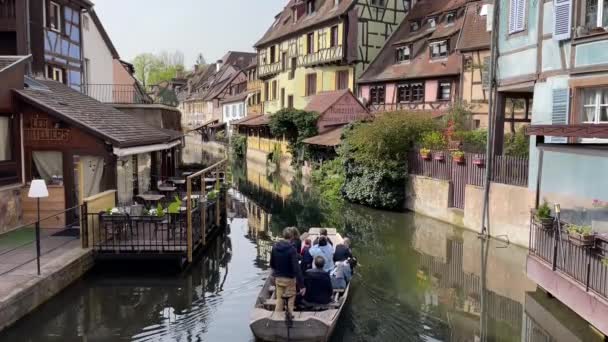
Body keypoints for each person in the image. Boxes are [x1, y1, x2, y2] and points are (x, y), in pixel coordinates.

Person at [270, 228, 305, 314]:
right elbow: (296, 269)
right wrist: (302, 285)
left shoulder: (275, 247)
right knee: (290, 300)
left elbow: (272, 264)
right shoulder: (292, 249)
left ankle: (277, 318)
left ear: (283, 235)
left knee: (279, 300)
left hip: (278, 278)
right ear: (292, 237)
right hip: (289, 279)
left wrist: (276, 273)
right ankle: (289, 320)